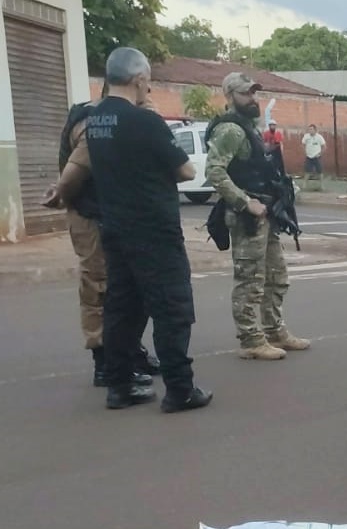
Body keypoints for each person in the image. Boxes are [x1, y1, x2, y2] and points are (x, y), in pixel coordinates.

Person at [79, 47, 212, 412]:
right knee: (172, 308)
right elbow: (186, 171)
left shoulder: (96, 118)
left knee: (123, 308)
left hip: (115, 227)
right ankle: (180, 390)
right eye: (148, 82)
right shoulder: (144, 120)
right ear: (139, 79)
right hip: (154, 228)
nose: (148, 90)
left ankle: (119, 386)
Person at [47, 83, 158, 389]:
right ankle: (105, 361)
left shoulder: (126, 119)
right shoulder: (97, 122)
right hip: (91, 215)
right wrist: (62, 193)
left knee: (130, 287)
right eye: (144, 89)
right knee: (100, 286)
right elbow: (75, 171)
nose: (147, 96)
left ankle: (130, 352)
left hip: (118, 214)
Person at [205, 72, 311, 360]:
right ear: (229, 96)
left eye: (253, 93)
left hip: (266, 213)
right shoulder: (230, 130)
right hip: (246, 217)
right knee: (250, 280)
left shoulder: (249, 127)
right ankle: (251, 339)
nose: (252, 99)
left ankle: (274, 330)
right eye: (245, 93)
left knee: (276, 276)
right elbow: (214, 172)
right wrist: (244, 202)